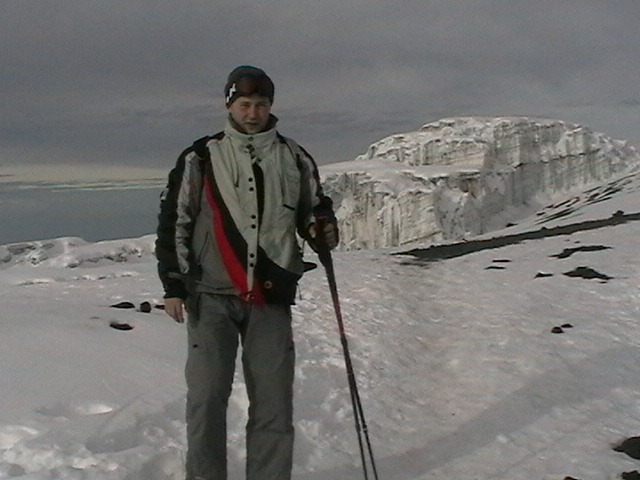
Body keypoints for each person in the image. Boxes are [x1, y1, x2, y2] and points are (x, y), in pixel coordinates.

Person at [155, 65, 338, 480]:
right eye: (244, 104)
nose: (253, 113)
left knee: (274, 404)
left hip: (271, 296)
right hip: (210, 295)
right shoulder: (201, 156)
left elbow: (314, 211)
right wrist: (173, 283)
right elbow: (174, 221)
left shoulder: (293, 156)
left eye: (260, 104)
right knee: (206, 401)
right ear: (229, 105)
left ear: (270, 106)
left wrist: (321, 228)